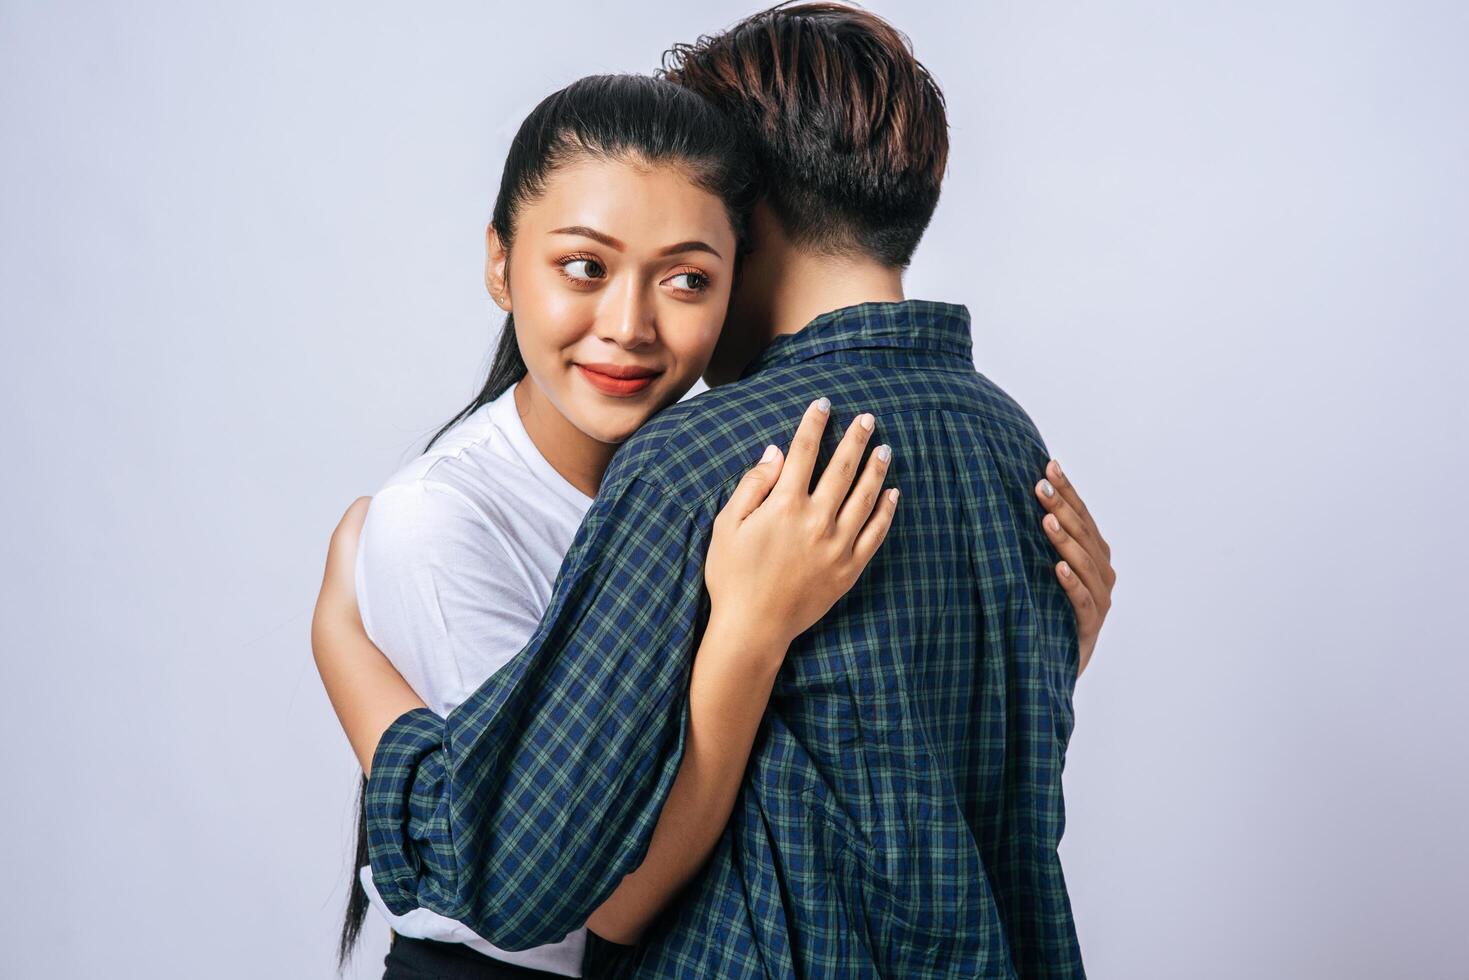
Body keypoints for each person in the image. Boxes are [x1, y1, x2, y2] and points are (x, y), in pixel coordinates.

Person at [316, 3, 1118, 976]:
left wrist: (348, 657)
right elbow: (950, 787)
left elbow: (535, 881)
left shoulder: (702, 460)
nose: (633, 319)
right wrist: (1045, 663)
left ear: (741, 207)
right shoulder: (1008, 443)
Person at [314, 73, 906, 978]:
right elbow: (588, 901)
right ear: (499, 264)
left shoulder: (743, 482)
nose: (628, 326)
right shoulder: (442, 523)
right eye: (583, 267)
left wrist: (1055, 631)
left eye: (685, 279)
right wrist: (748, 635)